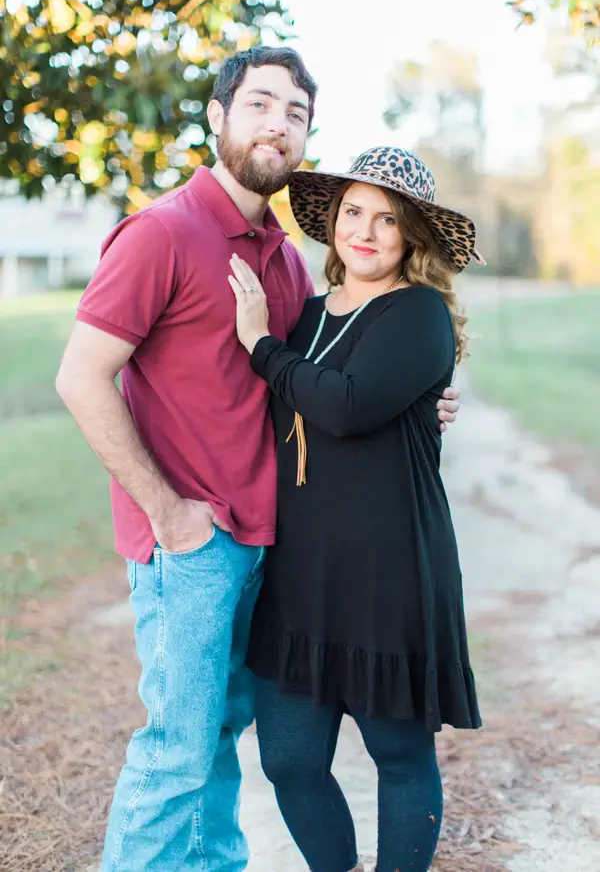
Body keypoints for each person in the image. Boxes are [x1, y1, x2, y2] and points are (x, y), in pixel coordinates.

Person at [56, 44, 460, 872]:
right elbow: (79, 377)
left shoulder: (277, 257)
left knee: (219, 744)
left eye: (296, 113)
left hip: (270, 548)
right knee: (180, 750)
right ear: (218, 116)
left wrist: (427, 401)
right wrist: (169, 514)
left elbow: (330, 384)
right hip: (195, 546)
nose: (278, 124)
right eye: (260, 104)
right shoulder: (162, 232)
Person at [228, 145, 483, 872]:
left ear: (413, 237)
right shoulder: (307, 318)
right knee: (288, 758)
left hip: (389, 572)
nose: (365, 231)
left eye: (387, 219)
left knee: (398, 756)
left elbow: (344, 406)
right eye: (353, 212)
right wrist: (275, 346)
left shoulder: (419, 314)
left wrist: (259, 346)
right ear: (333, 222)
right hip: (302, 575)